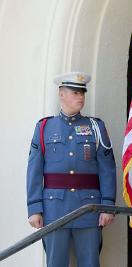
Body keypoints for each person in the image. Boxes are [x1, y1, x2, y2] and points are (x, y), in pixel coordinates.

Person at [26, 71, 116, 267]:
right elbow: (34, 170)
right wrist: (34, 208)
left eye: (82, 93)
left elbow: (107, 169)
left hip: (89, 208)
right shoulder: (44, 127)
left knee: (90, 262)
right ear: (61, 94)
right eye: (75, 92)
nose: (80, 97)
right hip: (54, 208)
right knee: (55, 262)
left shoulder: (96, 127)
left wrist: (108, 205)